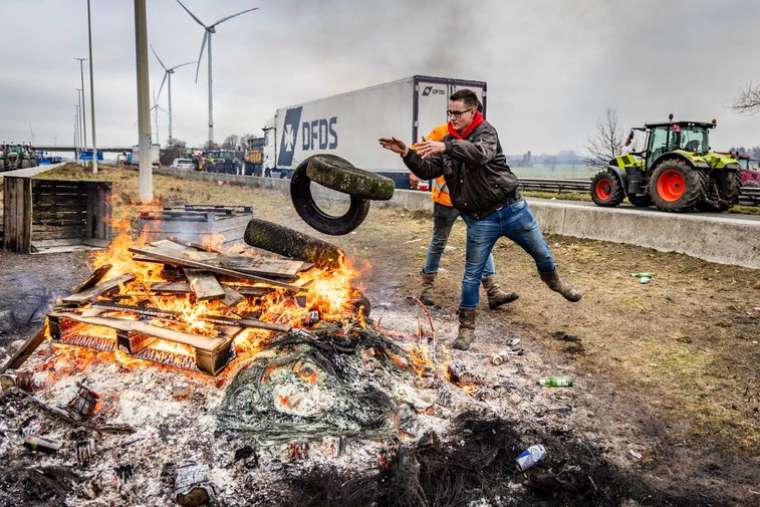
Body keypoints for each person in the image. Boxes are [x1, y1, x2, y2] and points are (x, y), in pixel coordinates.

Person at [380, 89, 581, 351]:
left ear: (473, 112)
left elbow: (480, 154)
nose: (452, 118)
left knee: (542, 255)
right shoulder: (448, 141)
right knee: (471, 276)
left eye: (457, 113)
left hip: (512, 210)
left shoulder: (486, 132)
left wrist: (447, 145)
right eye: (449, 113)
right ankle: (466, 329)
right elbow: (428, 169)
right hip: (480, 220)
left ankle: (556, 283)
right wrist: (406, 152)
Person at [413, 114, 518, 310]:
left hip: (472, 200)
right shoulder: (439, 132)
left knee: (482, 240)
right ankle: (427, 287)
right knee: (439, 242)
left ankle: (493, 290)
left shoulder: (479, 134)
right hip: (446, 199)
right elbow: (419, 153)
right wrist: (415, 169)